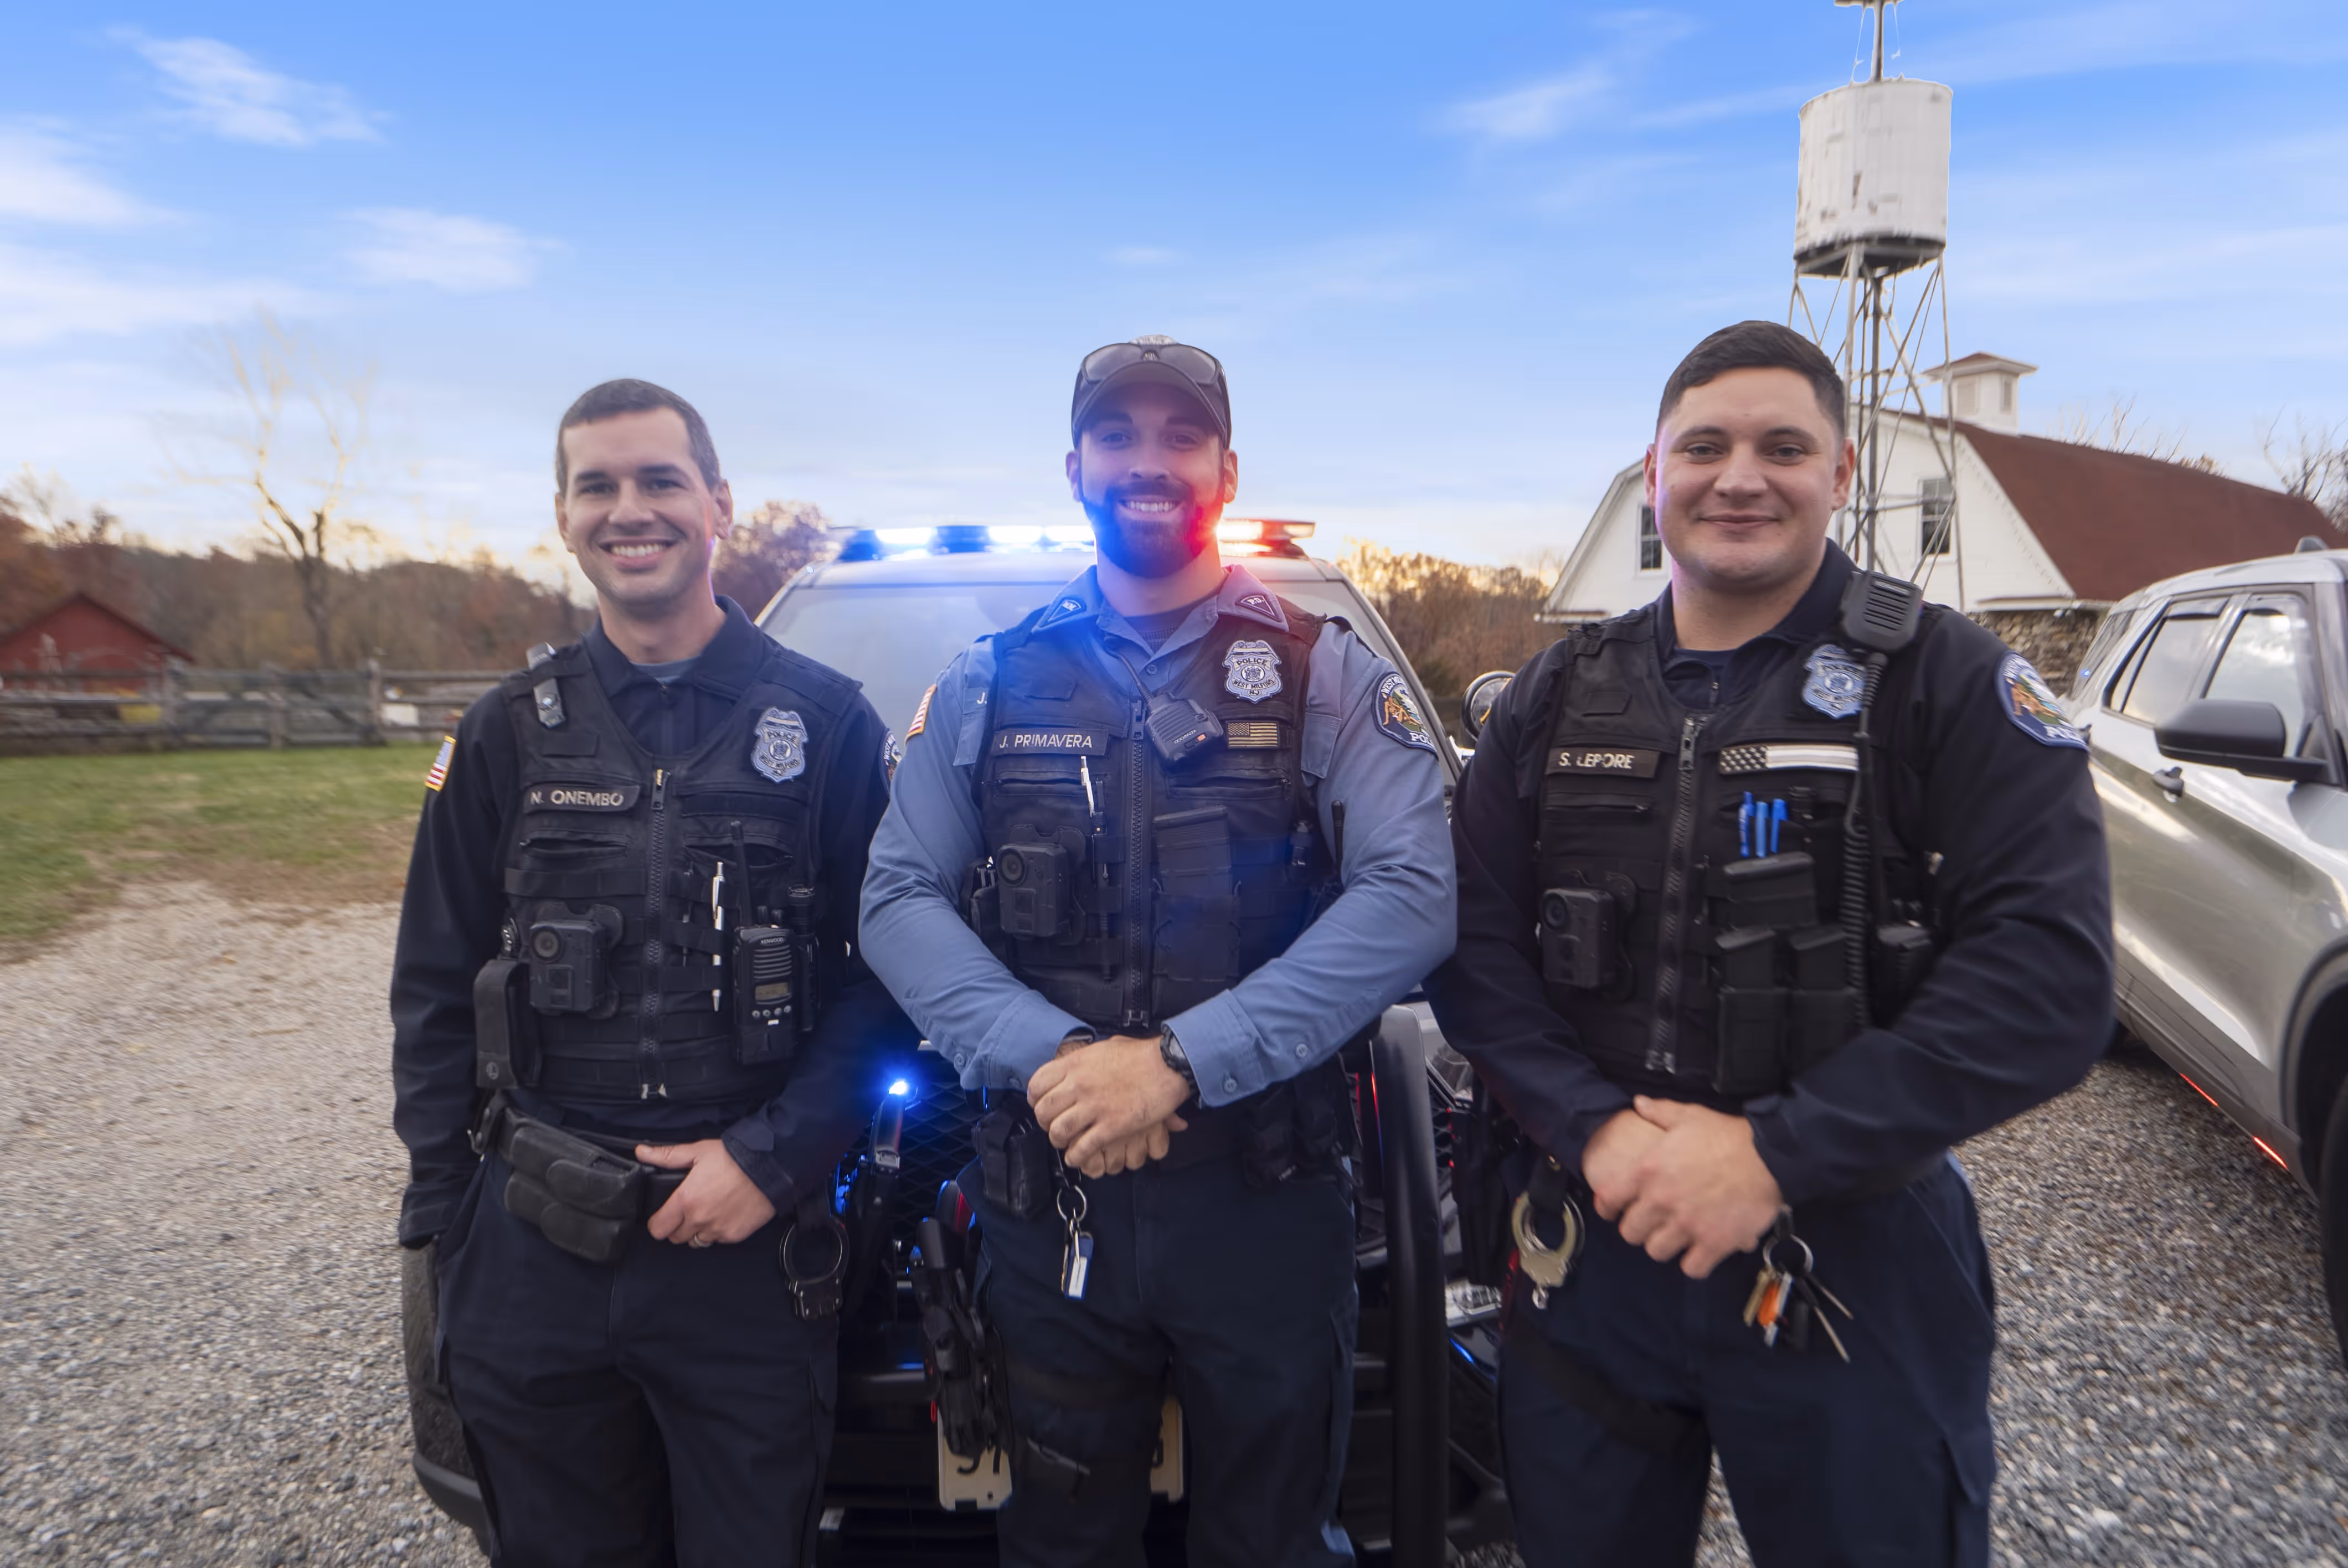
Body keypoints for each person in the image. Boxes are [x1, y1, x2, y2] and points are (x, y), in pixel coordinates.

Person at [1428, 320, 2112, 1567]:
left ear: (1840, 475)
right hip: (1597, 1244)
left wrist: (1773, 1155)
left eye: (1781, 447)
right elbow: (1469, 946)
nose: (1738, 476)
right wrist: (1595, 1129)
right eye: (1704, 446)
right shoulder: (1556, 693)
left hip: (1845, 1246)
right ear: (1653, 475)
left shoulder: (1942, 681)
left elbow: (2048, 978)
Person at [861, 335, 1455, 1565]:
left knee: (1272, 1538)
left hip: (1265, 1198)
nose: (1148, 461)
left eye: (1179, 436)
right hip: (1050, 1190)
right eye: (1117, 436)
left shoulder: (1319, 670)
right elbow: (898, 896)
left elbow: (1411, 893)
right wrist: (1061, 1058)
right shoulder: (988, 679)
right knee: (1062, 1538)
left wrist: (1177, 1063)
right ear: (1073, 464)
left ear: (1224, 467)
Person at [388, 378, 912, 1567]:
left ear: (718, 505)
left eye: (660, 480)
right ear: (564, 517)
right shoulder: (503, 733)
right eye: (599, 486)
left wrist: (774, 1160)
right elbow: (431, 985)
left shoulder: (827, 727)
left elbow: (893, 979)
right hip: (535, 1250)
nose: (631, 510)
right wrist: (446, 1225)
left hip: (742, 1250)